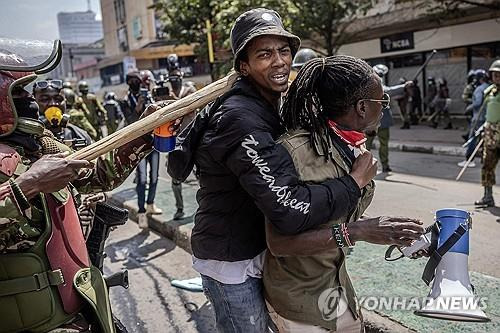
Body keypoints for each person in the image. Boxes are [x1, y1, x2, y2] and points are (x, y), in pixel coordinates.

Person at [167, 8, 377, 332]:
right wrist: (353, 182)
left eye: (283, 51)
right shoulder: (241, 119)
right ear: (244, 66)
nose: (279, 61)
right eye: (264, 54)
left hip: (256, 249)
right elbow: (290, 209)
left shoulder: (266, 102)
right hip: (231, 260)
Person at [0, 38, 154, 333]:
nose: (33, 101)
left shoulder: (40, 145)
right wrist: (29, 185)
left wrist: (144, 132)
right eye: (19, 92)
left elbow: (96, 173)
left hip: (76, 308)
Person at [264, 55, 425, 333]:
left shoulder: (352, 147)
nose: (384, 108)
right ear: (362, 107)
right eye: (382, 102)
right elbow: (279, 243)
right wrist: (357, 231)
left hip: (337, 287)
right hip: (297, 298)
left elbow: (337, 215)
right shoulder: (293, 152)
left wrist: (389, 230)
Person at [121, 71, 162, 227]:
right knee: (142, 179)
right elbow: (130, 121)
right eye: (131, 80)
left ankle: (151, 204)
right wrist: (138, 107)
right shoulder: (125, 101)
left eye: (136, 80)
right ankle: (141, 211)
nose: (134, 82)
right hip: (138, 145)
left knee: (155, 177)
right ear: (128, 82)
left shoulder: (149, 97)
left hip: (154, 142)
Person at [165, 68, 197, 220]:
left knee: (202, 176)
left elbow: (190, 108)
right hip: (175, 142)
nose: (174, 80)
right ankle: (180, 208)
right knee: (175, 178)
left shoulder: (189, 90)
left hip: (193, 139)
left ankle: (206, 207)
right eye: (172, 77)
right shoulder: (165, 92)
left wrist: (173, 100)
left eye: (176, 77)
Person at [366, 64, 410, 172]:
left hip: (379, 121)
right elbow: (389, 90)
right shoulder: (374, 87)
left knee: (381, 144)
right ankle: (364, 167)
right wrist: (404, 86)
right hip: (371, 123)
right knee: (366, 147)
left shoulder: (372, 86)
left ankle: (384, 165)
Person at [475, 60, 500, 207]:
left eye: (499, 75)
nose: (497, 77)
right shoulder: (489, 91)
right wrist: (483, 127)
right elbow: (486, 113)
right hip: (490, 136)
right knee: (487, 166)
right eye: (495, 74)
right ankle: (488, 196)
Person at [458, 69, 490, 168]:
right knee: (485, 139)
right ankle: (485, 159)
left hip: (478, 117)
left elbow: (477, 103)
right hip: (487, 117)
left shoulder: (479, 89)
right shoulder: (489, 88)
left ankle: (469, 159)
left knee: (472, 138)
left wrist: (468, 108)